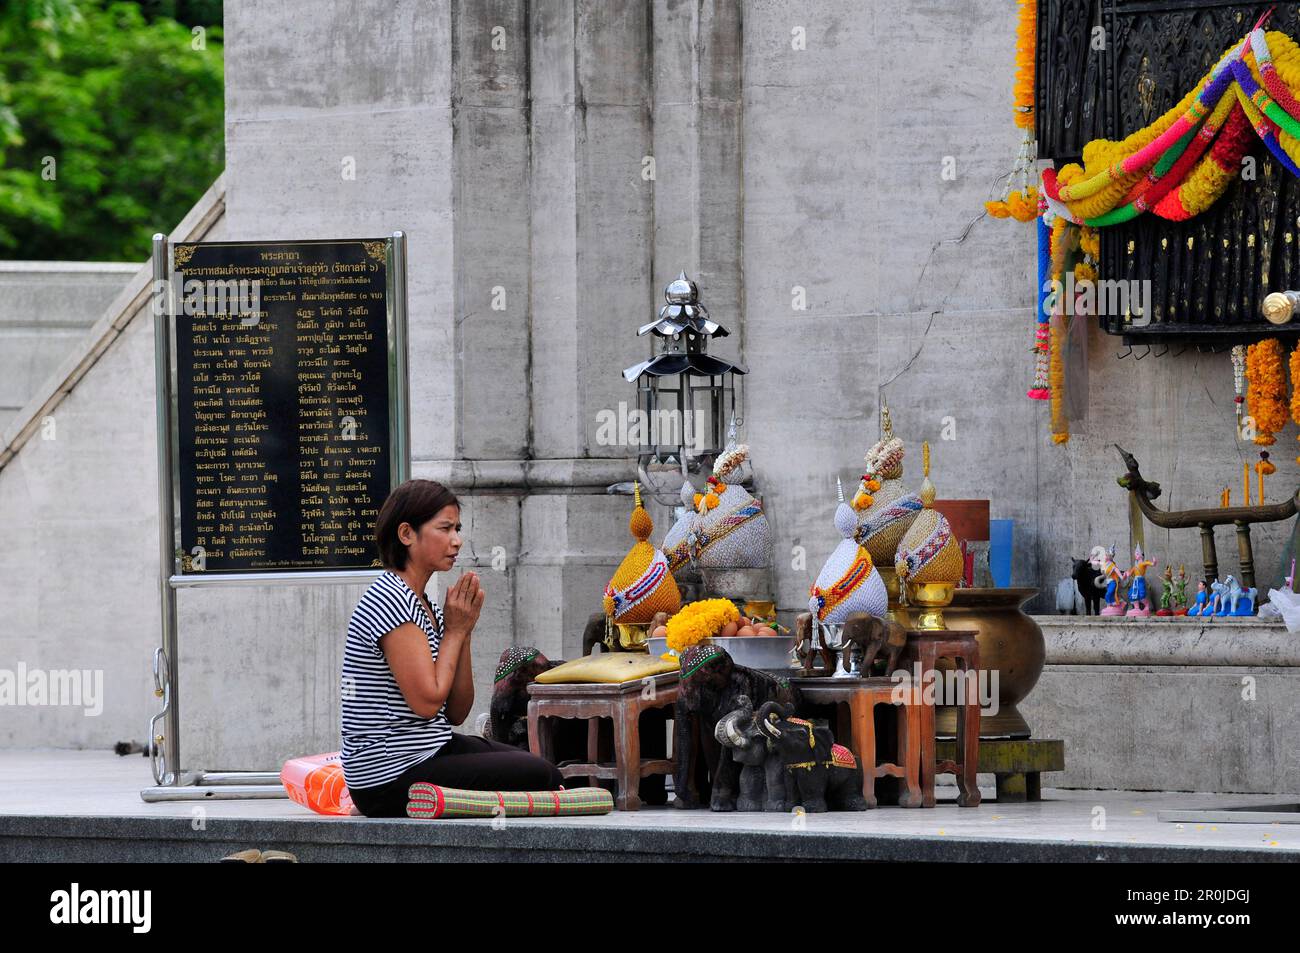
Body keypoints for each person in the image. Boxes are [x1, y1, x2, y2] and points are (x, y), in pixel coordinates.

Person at [341, 479, 563, 817]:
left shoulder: (421, 601)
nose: (456, 540)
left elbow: (457, 711)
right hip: (389, 777)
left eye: (457, 528)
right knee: (541, 775)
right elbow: (428, 703)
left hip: (430, 750)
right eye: (445, 528)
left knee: (542, 767)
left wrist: (465, 630)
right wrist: (455, 632)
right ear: (406, 534)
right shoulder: (389, 599)